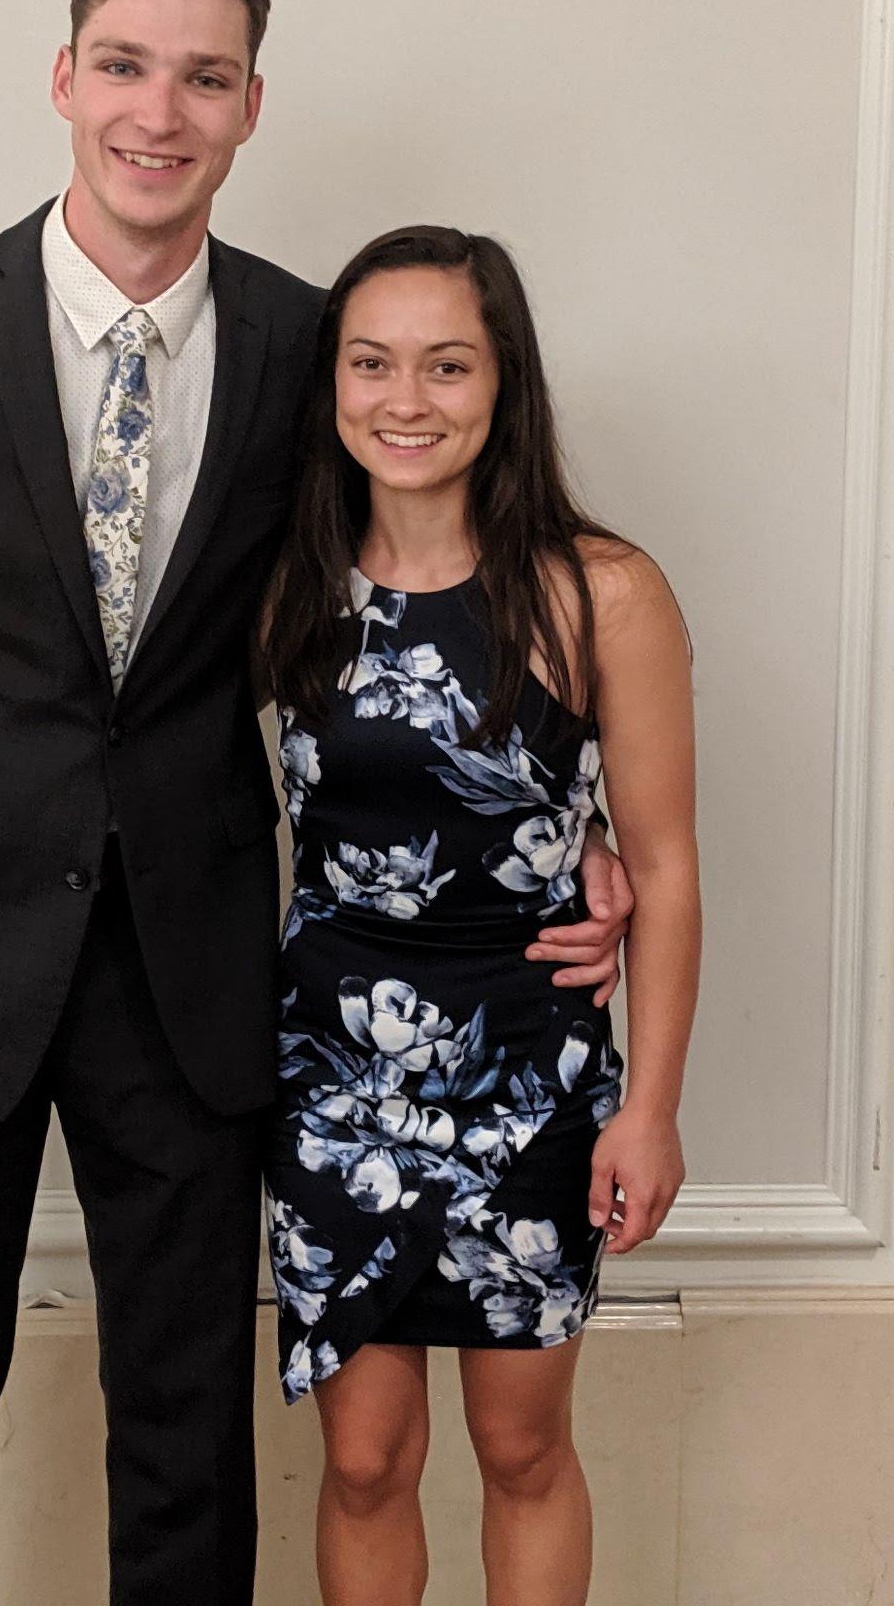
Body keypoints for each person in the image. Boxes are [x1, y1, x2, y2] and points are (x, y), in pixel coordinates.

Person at [0, 0, 636, 1605]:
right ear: (64, 78)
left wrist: (561, 827)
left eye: (205, 77)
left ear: (251, 108)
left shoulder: (322, 348)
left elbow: (439, 587)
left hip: (203, 970)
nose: (158, 112)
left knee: (187, 1430)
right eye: (126, 66)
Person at [260, 227, 700, 1605]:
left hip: (534, 1062)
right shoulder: (282, 583)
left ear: (505, 383)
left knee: (522, 1447)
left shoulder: (601, 592)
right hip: (333, 1071)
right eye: (373, 363)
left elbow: (669, 862)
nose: (408, 400)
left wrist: (651, 1112)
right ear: (331, 382)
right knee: (366, 1461)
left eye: (448, 365)